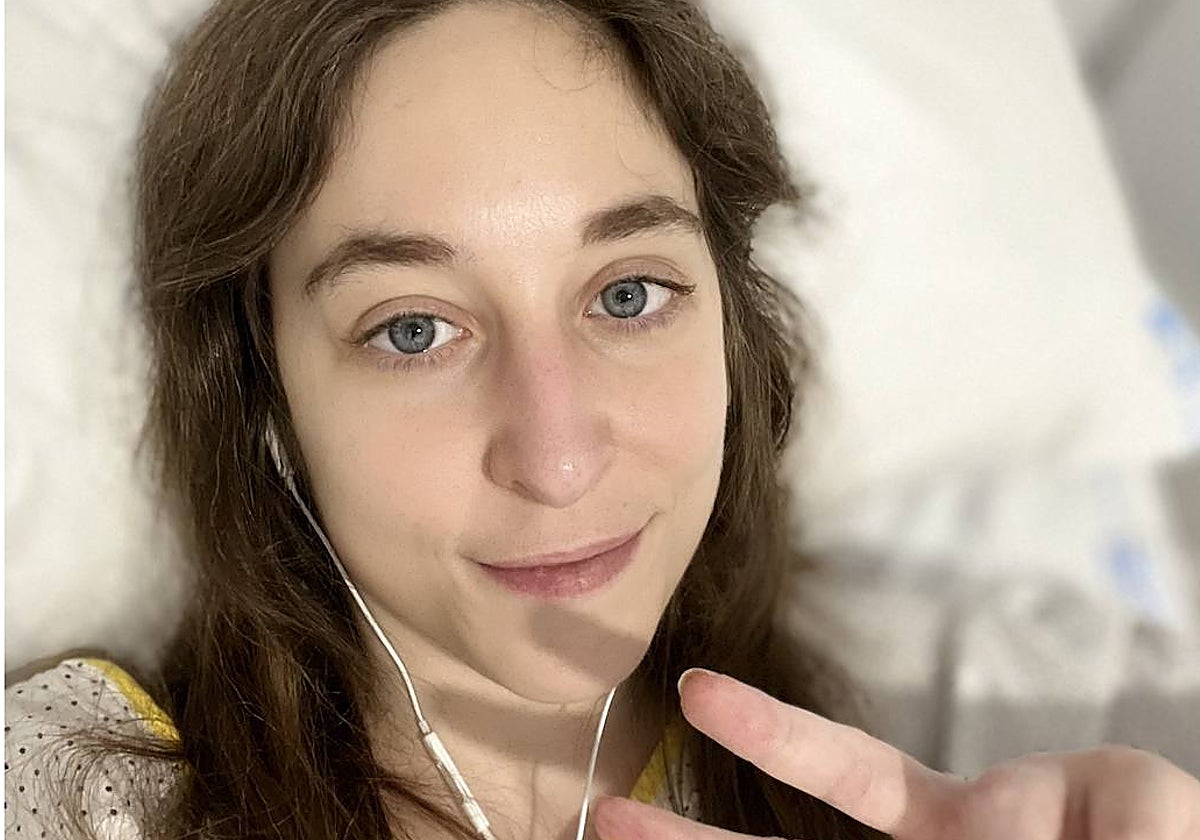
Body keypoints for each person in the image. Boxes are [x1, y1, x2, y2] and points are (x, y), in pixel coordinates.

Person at [5, 1, 1199, 838]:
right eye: (413, 329)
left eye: (628, 296)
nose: (560, 458)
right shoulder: (70, 794)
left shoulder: (1022, 706)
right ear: (264, 394)